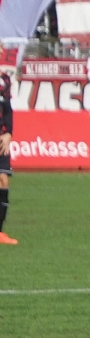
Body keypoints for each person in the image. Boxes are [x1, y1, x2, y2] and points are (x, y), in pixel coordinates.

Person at [0, 72, 15, 247]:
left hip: (1, 138)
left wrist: (9, 133)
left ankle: (0, 232)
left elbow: (8, 109)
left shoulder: (4, 80)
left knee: (3, 180)